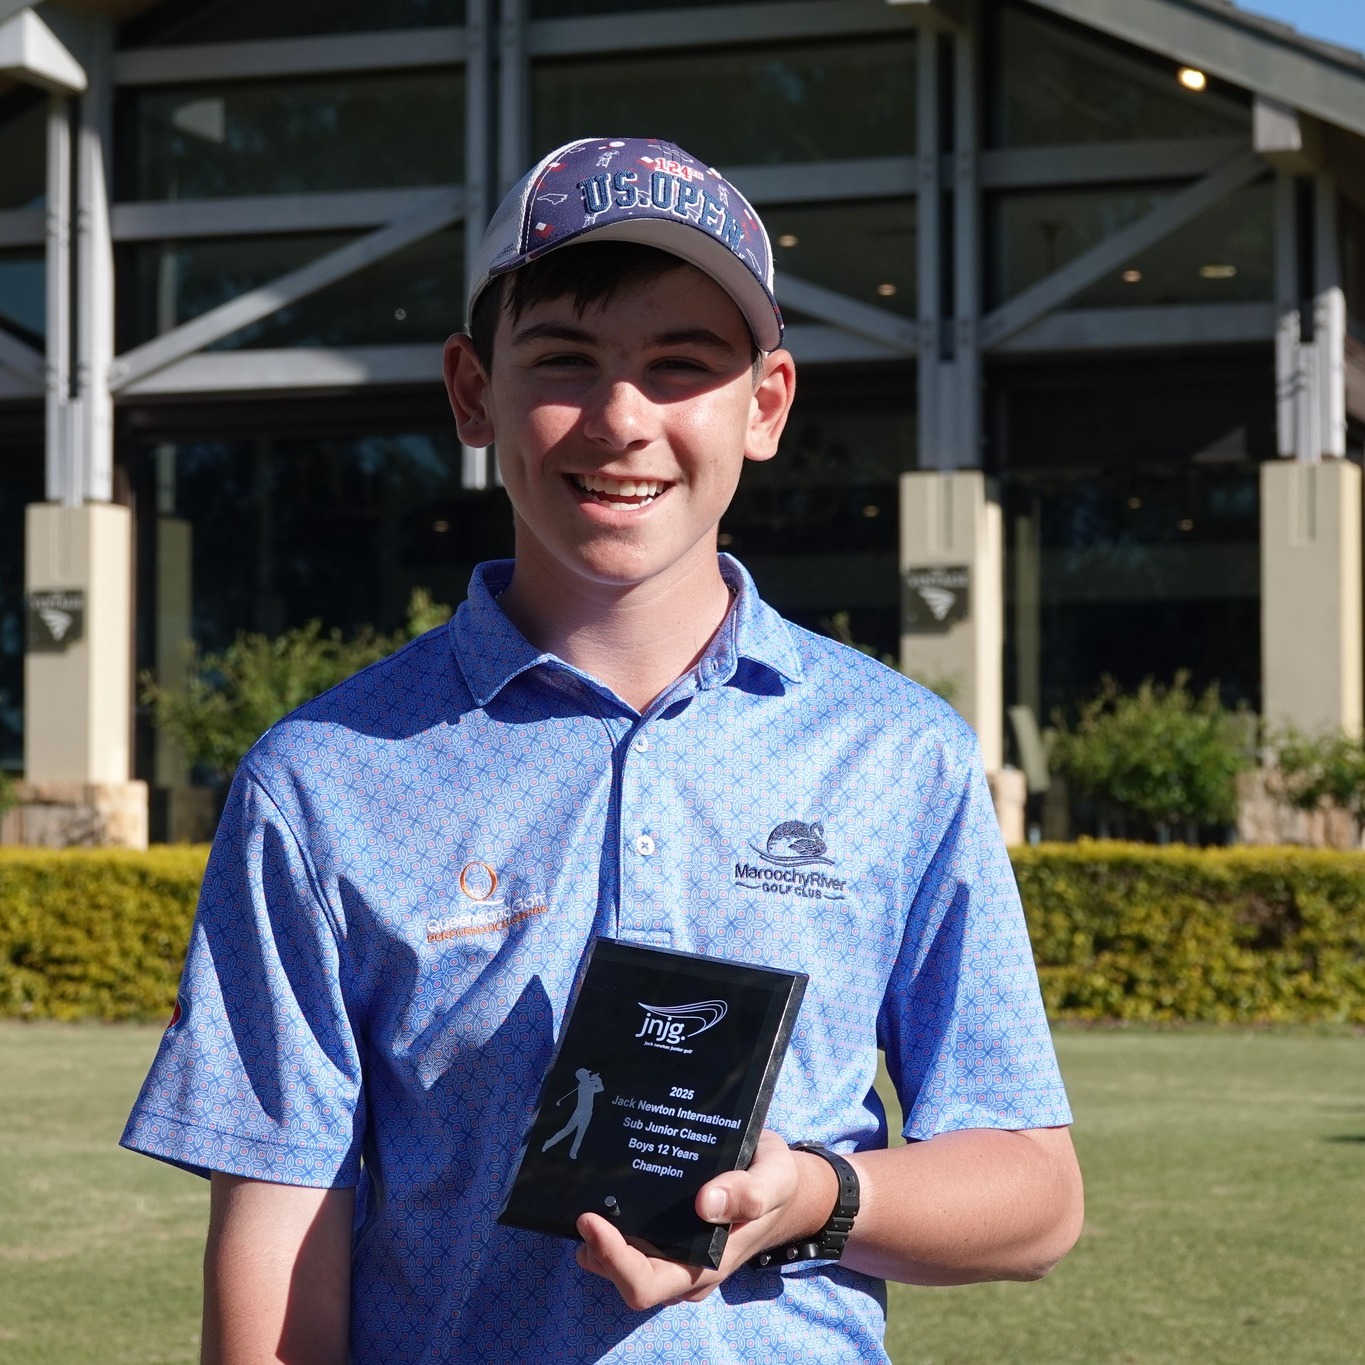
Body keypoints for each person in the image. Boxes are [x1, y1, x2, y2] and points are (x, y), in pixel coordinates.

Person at [123, 135, 1083, 1364]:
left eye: (683, 366)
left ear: (766, 405)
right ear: (474, 393)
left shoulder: (897, 752)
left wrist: (813, 1196)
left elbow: (1037, 1196)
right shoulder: (324, 778)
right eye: (564, 362)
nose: (622, 419)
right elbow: (279, 1235)